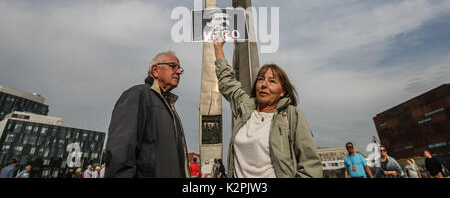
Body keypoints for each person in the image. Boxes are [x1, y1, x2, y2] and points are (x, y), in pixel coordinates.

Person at [213, 40, 323, 178]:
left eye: (272, 81)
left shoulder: (291, 115)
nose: (264, 84)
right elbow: (228, 83)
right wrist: (218, 48)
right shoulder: (245, 109)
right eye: (260, 79)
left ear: (282, 91)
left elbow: (310, 166)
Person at [104, 51, 189, 178]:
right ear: (155, 70)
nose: (179, 71)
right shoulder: (137, 95)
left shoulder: (170, 108)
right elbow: (120, 151)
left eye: (179, 68)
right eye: (173, 66)